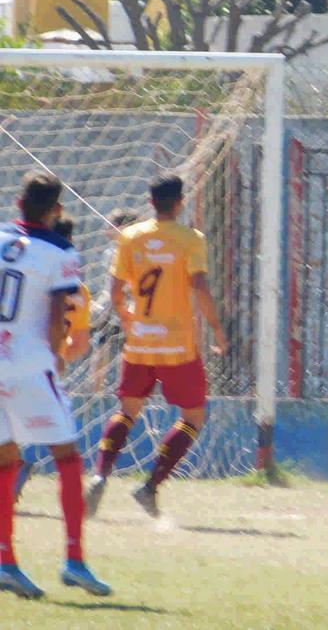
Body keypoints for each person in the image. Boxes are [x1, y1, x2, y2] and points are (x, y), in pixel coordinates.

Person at [85, 174, 227, 519]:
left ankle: (100, 474)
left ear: (150, 203)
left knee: (126, 412)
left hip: (140, 342)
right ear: (180, 202)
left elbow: (115, 290)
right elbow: (200, 286)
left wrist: (126, 317)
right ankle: (149, 487)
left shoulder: (130, 236)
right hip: (177, 345)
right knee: (193, 417)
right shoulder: (191, 239)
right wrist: (216, 329)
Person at [0, 173, 110, 598]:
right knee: (67, 456)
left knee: (5, 458)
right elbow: (55, 314)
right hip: (29, 364)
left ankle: (6, 560)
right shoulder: (61, 251)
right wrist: (55, 357)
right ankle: (75, 560)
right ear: (57, 210)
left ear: (17, 202)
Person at [14, 216, 92, 501]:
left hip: (13, 355)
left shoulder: (28, 272)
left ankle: (15, 469)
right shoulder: (80, 291)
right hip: (46, 367)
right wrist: (58, 356)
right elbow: (80, 344)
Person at [92, 208, 139, 393]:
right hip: (112, 309)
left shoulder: (133, 251)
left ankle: (130, 391)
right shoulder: (111, 251)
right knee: (101, 347)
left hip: (128, 309)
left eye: (111, 225)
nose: (106, 229)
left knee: (130, 353)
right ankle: (95, 392)